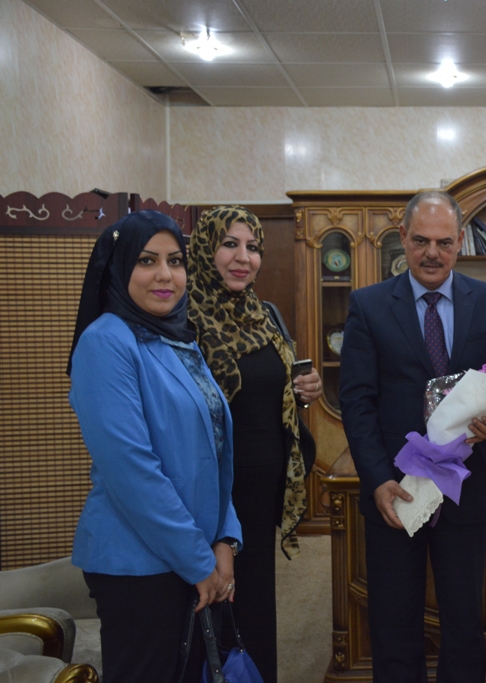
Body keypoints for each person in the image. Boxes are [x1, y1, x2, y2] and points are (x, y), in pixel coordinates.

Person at [338, 191, 486, 683]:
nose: (431, 253)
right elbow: (356, 402)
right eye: (420, 240)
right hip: (395, 492)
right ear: (403, 237)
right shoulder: (368, 306)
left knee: (464, 624)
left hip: (464, 490)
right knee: (393, 623)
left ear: (460, 241)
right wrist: (377, 479)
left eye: (444, 242)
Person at [67, 211, 241, 683]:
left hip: (196, 555)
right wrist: (198, 560)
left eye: (175, 261)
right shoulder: (105, 343)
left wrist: (225, 538)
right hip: (140, 566)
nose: (165, 275)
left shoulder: (178, 340)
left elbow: (215, 451)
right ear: (118, 268)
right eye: (147, 261)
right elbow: (132, 470)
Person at [186, 205, 323, 683]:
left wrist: (303, 392)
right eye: (230, 244)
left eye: (252, 247)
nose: (243, 258)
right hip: (211, 489)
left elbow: (272, 389)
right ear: (205, 250)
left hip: (263, 489)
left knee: (256, 602)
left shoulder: (265, 315)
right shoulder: (183, 319)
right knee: (211, 604)